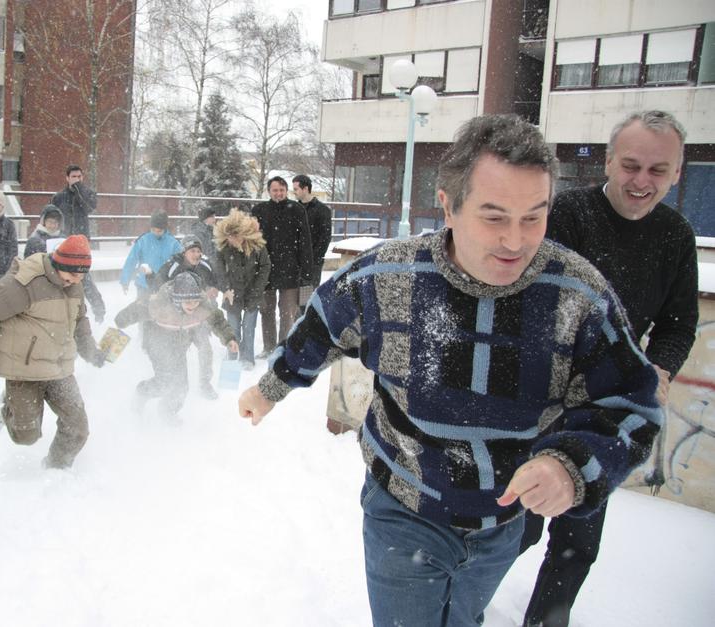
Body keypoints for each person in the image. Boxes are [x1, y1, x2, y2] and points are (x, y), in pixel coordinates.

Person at [237, 114, 662, 627]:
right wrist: (271, 387)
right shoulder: (388, 278)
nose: (516, 241)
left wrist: (572, 467)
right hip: (404, 507)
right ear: (448, 204)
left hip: (501, 521)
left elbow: (631, 403)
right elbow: (320, 327)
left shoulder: (577, 296)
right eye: (494, 216)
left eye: (534, 216)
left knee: (462, 619)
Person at [519, 110, 699, 627]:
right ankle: (463, 609)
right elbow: (529, 302)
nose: (641, 181)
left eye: (657, 171)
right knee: (514, 527)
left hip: (606, 413)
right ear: (608, 160)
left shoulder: (675, 236)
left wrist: (660, 369)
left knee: (578, 543)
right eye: (631, 165)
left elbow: (678, 322)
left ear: (677, 173)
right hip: (537, 403)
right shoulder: (568, 213)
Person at [0, 235, 106, 469]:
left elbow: (80, 322)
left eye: (82, 276)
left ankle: (55, 467)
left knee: (78, 428)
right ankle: (5, 405)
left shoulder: (74, 285)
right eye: (73, 274)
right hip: (25, 370)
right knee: (25, 436)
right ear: (60, 264)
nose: (77, 280)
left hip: (60, 369)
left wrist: (92, 353)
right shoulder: (25, 282)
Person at [116, 272, 238, 420]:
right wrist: (121, 320)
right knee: (165, 381)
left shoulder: (203, 305)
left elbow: (218, 321)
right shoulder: (159, 303)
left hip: (179, 343)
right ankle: (142, 393)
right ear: (177, 300)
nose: (192, 306)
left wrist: (229, 339)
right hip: (157, 342)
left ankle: (168, 412)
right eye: (188, 302)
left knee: (181, 386)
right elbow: (136, 309)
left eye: (195, 301)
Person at [149, 235, 223, 399]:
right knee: (177, 355)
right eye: (192, 251)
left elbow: (216, 281)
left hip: (198, 316)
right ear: (184, 252)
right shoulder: (172, 267)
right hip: (177, 321)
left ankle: (205, 384)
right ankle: (175, 389)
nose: (196, 254)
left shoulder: (204, 265)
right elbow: (157, 287)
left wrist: (213, 289)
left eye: (199, 251)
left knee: (205, 349)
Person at [250, 176, 313, 358]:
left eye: (282, 190)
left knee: (288, 312)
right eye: (275, 190)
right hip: (265, 270)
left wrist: (306, 271)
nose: (278, 193)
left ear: (286, 191)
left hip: (290, 269)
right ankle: (269, 346)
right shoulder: (259, 210)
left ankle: (283, 347)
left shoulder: (297, 209)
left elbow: (305, 241)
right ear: (269, 191)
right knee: (266, 310)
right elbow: (251, 241)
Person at [24, 204, 106, 324]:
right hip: (43, 292)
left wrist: (97, 303)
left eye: (56, 223)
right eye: (50, 222)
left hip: (66, 291)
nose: (53, 225)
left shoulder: (66, 241)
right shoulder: (34, 241)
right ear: (43, 221)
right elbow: (28, 268)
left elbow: (81, 274)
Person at [213, 208, 271, 370]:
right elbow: (219, 269)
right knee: (233, 329)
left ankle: (247, 359)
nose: (232, 240)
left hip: (253, 293)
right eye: (229, 236)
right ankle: (232, 358)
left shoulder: (257, 247)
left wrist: (257, 290)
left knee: (249, 327)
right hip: (232, 293)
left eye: (235, 236)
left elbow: (265, 267)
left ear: (243, 233)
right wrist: (225, 289)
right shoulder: (224, 248)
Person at [119, 209, 182, 299]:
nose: (156, 233)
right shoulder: (143, 240)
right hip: (144, 284)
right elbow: (131, 260)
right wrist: (125, 280)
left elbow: (181, 262)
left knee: (161, 311)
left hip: (164, 285)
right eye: (153, 230)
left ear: (165, 228)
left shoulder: (173, 243)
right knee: (143, 310)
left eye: (159, 231)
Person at [292, 174, 332, 289]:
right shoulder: (293, 208)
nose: (294, 192)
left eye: (296, 189)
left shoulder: (322, 210)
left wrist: (313, 259)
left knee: (307, 300)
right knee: (291, 301)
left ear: (305, 189)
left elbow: (325, 238)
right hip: (293, 263)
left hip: (312, 265)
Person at [51, 164, 97, 239]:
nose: (77, 179)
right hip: (64, 237)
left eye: (79, 176)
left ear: (82, 177)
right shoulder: (58, 197)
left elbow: (89, 208)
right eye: (74, 176)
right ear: (67, 178)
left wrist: (78, 189)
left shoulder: (89, 193)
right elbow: (51, 216)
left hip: (82, 236)